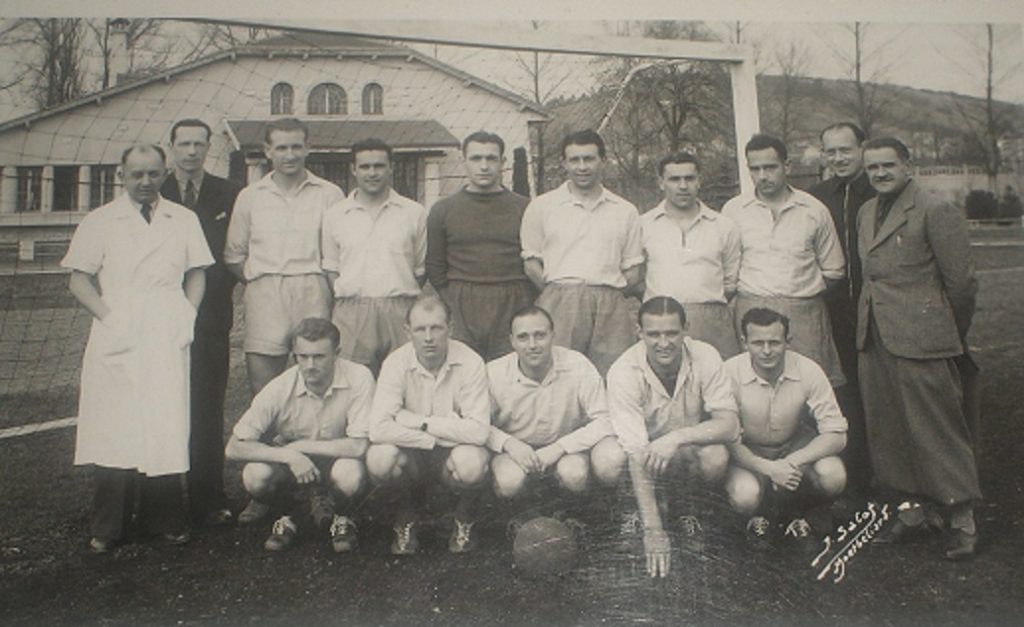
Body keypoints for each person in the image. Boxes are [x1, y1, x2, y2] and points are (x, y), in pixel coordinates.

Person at [62, 144, 213, 553]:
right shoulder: (100, 220)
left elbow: (197, 272)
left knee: (165, 420)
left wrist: (187, 314)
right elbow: (78, 280)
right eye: (136, 175)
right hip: (119, 322)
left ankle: (163, 518)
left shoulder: (182, 218)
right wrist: (111, 320)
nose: (145, 182)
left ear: (165, 174)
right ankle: (108, 525)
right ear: (121, 175)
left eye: (153, 174)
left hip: (166, 322)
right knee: (115, 424)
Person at [856, 137, 981, 560]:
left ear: (909, 165)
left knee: (938, 431)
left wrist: (946, 331)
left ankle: (962, 520)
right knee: (889, 433)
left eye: (888, 165)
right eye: (872, 167)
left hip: (924, 339)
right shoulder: (866, 212)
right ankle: (912, 515)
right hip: (875, 338)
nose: (880, 174)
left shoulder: (934, 209)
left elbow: (961, 284)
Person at [606, 297, 740, 578]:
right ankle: (635, 513)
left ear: (686, 329)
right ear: (639, 332)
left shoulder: (706, 355)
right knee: (609, 459)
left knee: (716, 456)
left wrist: (677, 437)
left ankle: (689, 511)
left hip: (683, 450)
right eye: (653, 334)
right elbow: (635, 451)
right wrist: (654, 532)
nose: (663, 343)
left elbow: (729, 425)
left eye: (671, 333)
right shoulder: (623, 370)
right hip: (644, 458)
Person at [225, 318, 374, 553]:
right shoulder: (280, 387)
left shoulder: (359, 377)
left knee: (350, 473)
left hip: (339, 459)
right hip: (294, 466)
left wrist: (301, 447)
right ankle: (288, 515)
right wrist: (290, 457)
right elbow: (234, 447)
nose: (310, 365)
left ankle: (343, 517)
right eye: (302, 357)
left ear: (337, 353)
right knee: (255, 474)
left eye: (319, 356)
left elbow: (358, 447)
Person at [161, 118, 242, 527]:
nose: (192, 151)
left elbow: (234, 255)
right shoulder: (154, 192)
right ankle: (160, 499)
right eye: (184, 143)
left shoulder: (229, 193)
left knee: (207, 407)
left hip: (211, 319)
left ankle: (209, 497)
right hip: (158, 321)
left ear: (209, 148)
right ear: (172, 147)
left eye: (199, 144)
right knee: (160, 406)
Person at [224, 117, 343, 395]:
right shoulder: (250, 196)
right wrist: (260, 281)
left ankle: (313, 438)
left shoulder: (330, 194)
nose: (289, 155)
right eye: (281, 148)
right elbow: (234, 255)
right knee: (265, 387)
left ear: (307, 148)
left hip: (313, 289)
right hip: (266, 292)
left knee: (318, 378)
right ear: (267, 151)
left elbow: (339, 252)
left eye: (296, 147)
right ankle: (266, 438)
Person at [366, 296, 491, 555]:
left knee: (472, 463)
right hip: (413, 453)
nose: (428, 337)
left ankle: (464, 519)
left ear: (450, 329)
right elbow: (378, 428)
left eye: (436, 328)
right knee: (380, 458)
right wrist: (433, 438)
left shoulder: (471, 362)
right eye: (420, 329)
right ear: (407, 331)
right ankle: (406, 517)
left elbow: (479, 431)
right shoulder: (395, 363)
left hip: (450, 454)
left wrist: (418, 422)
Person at [723, 134, 847, 388]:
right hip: (751, 310)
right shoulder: (734, 211)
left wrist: (800, 294)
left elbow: (834, 270)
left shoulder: (813, 210)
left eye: (770, 167)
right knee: (752, 387)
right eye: (755, 169)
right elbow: (728, 270)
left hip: (803, 314)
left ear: (787, 166)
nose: (763, 176)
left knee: (809, 387)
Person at [520, 129, 644, 376]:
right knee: (560, 372)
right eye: (574, 160)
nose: (582, 166)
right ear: (564, 163)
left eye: (589, 159)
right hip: (560, 298)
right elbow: (531, 263)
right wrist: (558, 294)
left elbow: (633, 270)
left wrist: (607, 293)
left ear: (603, 161)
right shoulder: (543, 207)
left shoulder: (625, 210)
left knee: (614, 373)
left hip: (610, 302)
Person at [723, 308, 848, 551]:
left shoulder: (808, 369)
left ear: (788, 342)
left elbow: (837, 434)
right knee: (744, 495)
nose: (767, 351)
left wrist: (791, 462)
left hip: (792, 446)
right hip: (749, 452)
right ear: (744, 342)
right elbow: (725, 438)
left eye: (775, 342)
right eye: (758, 343)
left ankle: (800, 515)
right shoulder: (728, 373)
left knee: (833, 475)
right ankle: (757, 519)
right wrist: (769, 468)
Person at [487, 305, 621, 507]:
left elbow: (606, 418)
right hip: (514, 451)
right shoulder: (494, 372)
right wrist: (509, 444)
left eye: (540, 335)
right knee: (509, 481)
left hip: (566, 448)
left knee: (574, 474)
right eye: (523, 337)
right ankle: (519, 520)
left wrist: (561, 447)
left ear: (553, 335)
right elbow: (476, 423)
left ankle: (574, 517)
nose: (532, 345)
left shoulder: (577, 364)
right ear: (512, 341)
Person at [807, 122, 875, 495]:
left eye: (845, 150)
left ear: (862, 149)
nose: (838, 158)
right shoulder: (816, 198)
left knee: (880, 396)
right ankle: (854, 478)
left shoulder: (878, 191)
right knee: (843, 395)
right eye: (831, 152)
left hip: (877, 312)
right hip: (833, 314)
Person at [322, 138, 427, 375]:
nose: (372, 173)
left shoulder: (414, 213)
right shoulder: (335, 215)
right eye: (365, 166)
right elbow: (331, 270)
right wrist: (352, 299)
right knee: (355, 383)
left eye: (379, 166)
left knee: (404, 381)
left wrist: (394, 295)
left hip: (401, 308)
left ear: (391, 168)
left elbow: (420, 269)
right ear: (353, 169)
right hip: (352, 310)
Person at [427, 131, 535, 361]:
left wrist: (524, 300)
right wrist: (452, 301)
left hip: (512, 300)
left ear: (502, 163)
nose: (484, 166)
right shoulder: (443, 210)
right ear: (464, 161)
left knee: (509, 373)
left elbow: (536, 259)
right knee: (464, 373)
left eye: (491, 159)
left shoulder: (525, 208)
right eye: (476, 159)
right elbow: (435, 267)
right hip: (462, 302)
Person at [641, 152, 742, 359]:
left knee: (718, 381)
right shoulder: (643, 225)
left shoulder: (723, 226)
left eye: (689, 178)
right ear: (661, 183)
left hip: (713, 321)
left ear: (699, 181)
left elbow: (730, 283)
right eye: (674, 179)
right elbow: (637, 277)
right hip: (663, 321)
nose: (683, 186)